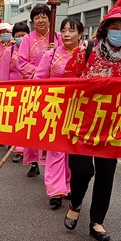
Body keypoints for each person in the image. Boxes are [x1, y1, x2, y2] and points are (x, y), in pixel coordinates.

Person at [62, 6, 121, 241]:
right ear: (105, 29)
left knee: (106, 173)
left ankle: (97, 220)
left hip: (111, 126)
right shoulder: (86, 50)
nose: (119, 33)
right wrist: (90, 84)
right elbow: (67, 78)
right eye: (115, 28)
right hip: (82, 123)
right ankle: (75, 204)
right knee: (82, 171)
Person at [33, 17, 83, 210]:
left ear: (80, 34)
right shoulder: (51, 55)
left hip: (78, 108)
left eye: (72, 30)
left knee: (72, 151)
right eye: (64, 30)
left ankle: (68, 186)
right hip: (55, 107)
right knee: (55, 149)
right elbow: (39, 79)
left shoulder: (86, 54)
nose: (67, 34)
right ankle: (55, 190)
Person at [17, 4, 61, 178]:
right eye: (37, 17)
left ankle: (53, 163)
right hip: (34, 88)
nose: (40, 20)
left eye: (44, 16)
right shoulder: (28, 39)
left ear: (50, 19)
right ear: (32, 20)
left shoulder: (58, 37)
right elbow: (21, 63)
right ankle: (33, 161)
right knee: (33, 125)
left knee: (51, 126)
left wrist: (54, 52)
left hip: (55, 91)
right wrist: (40, 72)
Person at [0, 22, 30, 163]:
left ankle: (28, 151)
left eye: (23, 35)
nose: (21, 38)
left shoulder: (32, 50)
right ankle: (18, 149)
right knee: (16, 120)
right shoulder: (9, 52)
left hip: (30, 89)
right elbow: (4, 74)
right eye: (18, 36)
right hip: (13, 90)